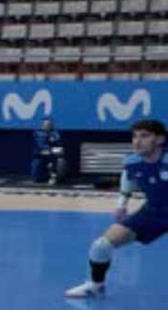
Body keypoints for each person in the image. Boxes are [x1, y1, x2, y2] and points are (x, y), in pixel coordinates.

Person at [65, 119, 167, 299]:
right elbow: (127, 181)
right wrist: (121, 204)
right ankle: (95, 285)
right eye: (134, 136)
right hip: (153, 212)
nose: (137, 141)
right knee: (101, 246)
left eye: (144, 136)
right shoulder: (132, 162)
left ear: (159, 140)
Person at [30, 118, 61, 184]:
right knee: (36, 169)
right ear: (43, 124)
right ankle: (39, 177)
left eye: (49, 124)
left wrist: (53, 147)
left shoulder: (55, 133)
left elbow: (58, 142)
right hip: (39, 154)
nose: (47, 125)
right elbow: (38, 143)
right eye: (46, 124)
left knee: (54, 163)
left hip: (51, 154)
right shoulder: (37, 132)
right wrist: (43, 150)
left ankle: (53, 177)